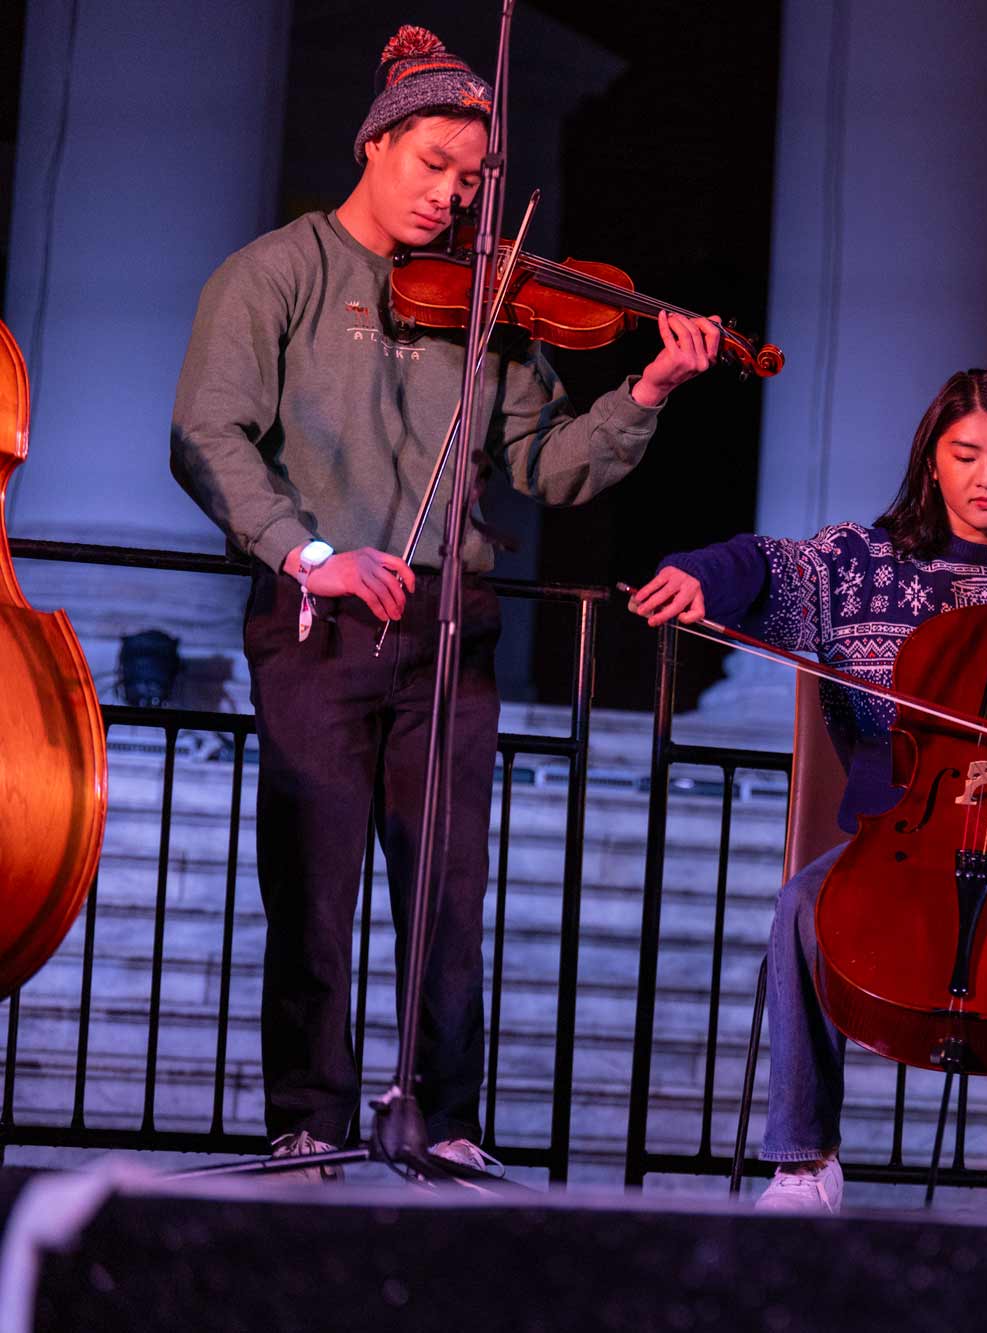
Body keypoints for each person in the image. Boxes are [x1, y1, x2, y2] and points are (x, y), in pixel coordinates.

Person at [171, 24, 720, 1178]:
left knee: (446, 888)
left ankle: (442, 1117)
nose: (450, 196)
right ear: (375, 142)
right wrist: (306, 551)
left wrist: (650, 388)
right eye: (432, 165)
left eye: (471, 180)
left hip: (449, 626)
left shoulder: (491, 306)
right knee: (314, 884)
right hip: (319, 617)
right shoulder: (278, 273)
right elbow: (206, 432)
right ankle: (311, 1119)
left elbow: (548, 466)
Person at [627, 368, 987, 1226]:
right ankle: (803, 1161)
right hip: (899, 838)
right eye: (966, 454)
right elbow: (763, 563)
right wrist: (698, 576)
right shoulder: (860, 562)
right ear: (930, 462)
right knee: (800, 904)